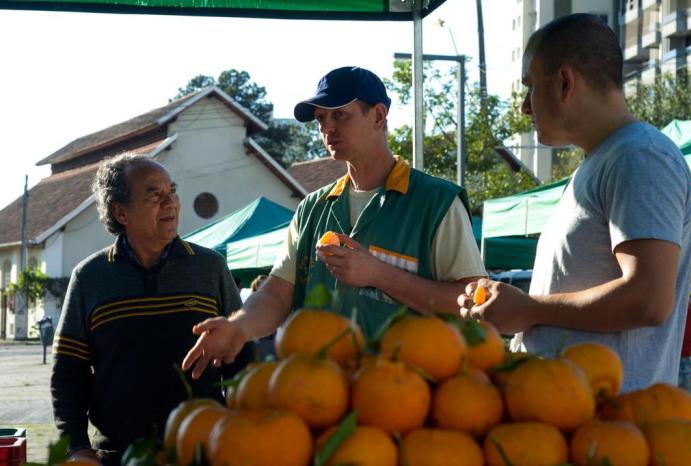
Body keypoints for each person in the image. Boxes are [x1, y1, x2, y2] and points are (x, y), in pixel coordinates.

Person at [183, 66, 486, 378]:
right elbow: (276, 294)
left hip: (406, 403)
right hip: (319, 401)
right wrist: (238, 327)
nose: (327, 128)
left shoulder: (436, 202)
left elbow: (473, 305)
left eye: (339, 115)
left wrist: (380, 275)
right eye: (320, 119)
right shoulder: (311, 209)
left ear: (379, 116)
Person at [459, 14, 691, 392]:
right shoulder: (605, 161)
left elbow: (647, 299)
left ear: (565, 82)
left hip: (607, 432)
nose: (524, 106)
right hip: (571, 421)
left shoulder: (640, 157)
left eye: (529, 86)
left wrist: (527, 309)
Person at [50, 153, 251, 465]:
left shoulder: (210, 267)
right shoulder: (90, 277)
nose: (170, 202)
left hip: (204, 451)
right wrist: (76, 446)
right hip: (119, 456)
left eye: (172, 191)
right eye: (155, 195)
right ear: (121, 212)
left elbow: (242, 357)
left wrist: (241, 429)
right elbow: (67, 374)